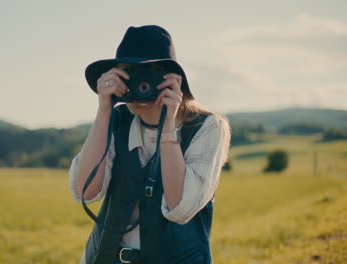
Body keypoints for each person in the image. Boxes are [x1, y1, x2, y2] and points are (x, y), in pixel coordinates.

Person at [69, 25, 231, 264]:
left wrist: (168, 125)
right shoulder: (117, 120)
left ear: (171, 79)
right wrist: (104, 110)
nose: (138, 84)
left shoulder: (207, 127)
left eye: (147, 74)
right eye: (129, 75)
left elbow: (180, 207)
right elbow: (86, 191)